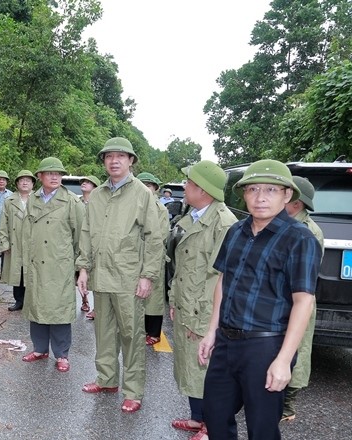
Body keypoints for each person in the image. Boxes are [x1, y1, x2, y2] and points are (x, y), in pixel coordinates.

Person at [198, 159, 322, 440]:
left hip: (266, 346)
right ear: (243, 194)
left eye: (270, 190)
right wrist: (211, 331)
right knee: (215, 415)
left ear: (287, 195)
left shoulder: (300, 239)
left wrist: (283, 360)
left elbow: (304, 301)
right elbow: (224, 280)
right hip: (227, 342)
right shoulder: (236, 231)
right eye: (253, 189)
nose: (260, 197)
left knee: (262, 428)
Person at [76, 137, 165, 413]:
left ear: (130, 161)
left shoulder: (142, 194)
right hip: (101, 276)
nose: (114, 161)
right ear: (104, 162)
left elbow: (154, 237)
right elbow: (87, 233)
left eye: (121, 156)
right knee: (103, 332)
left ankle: (133, 391)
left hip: (128, 278)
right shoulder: (98, 194)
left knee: (132, 335)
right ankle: (107, 379)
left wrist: (147, 275)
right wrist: (83, 268)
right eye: (109, 156)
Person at [168, 161, 237, 440]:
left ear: (204, 191)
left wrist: (211, 319)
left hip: (206, 309)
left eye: (189, 184)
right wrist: (174, 299)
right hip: (187, 303)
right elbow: (182, 266)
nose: (185, 188)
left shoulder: (224, 224)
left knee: (208, 369)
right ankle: (198, 419)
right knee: (190, 365)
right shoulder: (194, 216)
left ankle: (212, 426)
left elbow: (223, 278)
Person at [21, 157, 85, 373]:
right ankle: (40, 348)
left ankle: (62, 354)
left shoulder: (72, 202)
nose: (55, 176)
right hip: (37, 263)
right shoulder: (33, 199)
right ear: (40, 176)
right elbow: (28, 232)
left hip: (60, 265)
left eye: (58, 173)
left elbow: (80, 237)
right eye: (50, 173)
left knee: (59, 311)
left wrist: (78, 266)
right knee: (37, 307)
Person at [281, 175, 324, 422]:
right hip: (283, 298)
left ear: (296, 203)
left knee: (297, 350)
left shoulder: (308, 232)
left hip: (297, 298)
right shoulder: (286, 224)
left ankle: (288, 406)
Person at [137, 172, 169, 346]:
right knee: (137, 296)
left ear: (156, 189)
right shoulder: (133, 205)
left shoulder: (160, 209)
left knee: (154, 298)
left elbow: (160, 235)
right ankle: (140, 329)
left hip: (153, 256)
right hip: (134, 257)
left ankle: (154, 332)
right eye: (143, 185)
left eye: (149, 186)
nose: (146, 189)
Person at [0, 170, 36, 312]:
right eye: (22, 180)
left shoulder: (39, 200)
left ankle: (31, 301)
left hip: (33, 243)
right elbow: (3, 224)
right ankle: (19, 300)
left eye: (28, 180)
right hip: (16, 243)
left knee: (33, 271)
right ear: (17, 184)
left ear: (33, 184)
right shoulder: (9, 201)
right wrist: (4, 242)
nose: (25, 182)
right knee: (18, 271)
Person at [78, 175, 101, 316]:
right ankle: (84, 300)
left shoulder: (99, 203)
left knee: (96, 276)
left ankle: (97, 308)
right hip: (78, 242)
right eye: (83, 182)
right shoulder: (76, 202)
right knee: (79, 274)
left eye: (88, 182)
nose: (84, 184)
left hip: (94, 243)